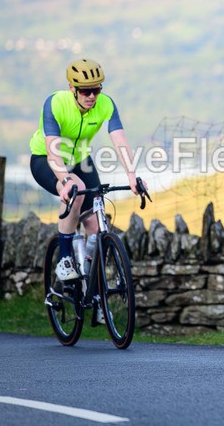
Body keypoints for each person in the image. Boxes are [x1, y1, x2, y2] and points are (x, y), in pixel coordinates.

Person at [29, 59, 144, 311]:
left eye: (97, 89)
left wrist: (132, 176)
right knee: (77, 190)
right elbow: (52, 150)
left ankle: (91, 288)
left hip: (81, 159)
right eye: (85, 90)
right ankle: (66, 259)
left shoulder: (106, 104)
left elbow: (120, 141)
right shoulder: (55, 103)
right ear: (72, 88)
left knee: (96, 223)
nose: (92, 96)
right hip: (46, 160)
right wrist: (64, 180)